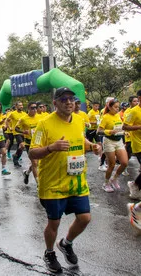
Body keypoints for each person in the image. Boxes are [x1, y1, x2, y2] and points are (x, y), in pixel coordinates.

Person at [29, 87, 101, 273]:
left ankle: (66, 243)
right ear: (55, 103)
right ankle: (50, 252)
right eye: (64, 99)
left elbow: (81, 139)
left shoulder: (78, 120)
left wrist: (91, 145)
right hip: (52, 183)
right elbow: (32, 152)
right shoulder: (43, 124)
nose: (69, 102)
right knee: (54, 223)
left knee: (84, 218)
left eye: (71, 99)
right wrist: (51, 148)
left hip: (76, 180)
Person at [97, 98, 128, 192]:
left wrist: (124, 132)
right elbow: (99, 131)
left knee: (124, 163)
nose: (117, 109)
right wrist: (110, 131)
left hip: (118, 141)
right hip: (109, 141)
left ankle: (114, 178)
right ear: (109, 107)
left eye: (118, 107)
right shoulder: (105, 117)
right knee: (112, 164)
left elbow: (119, 127)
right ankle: (106, 183)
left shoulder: (118, 116)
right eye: (115, 107)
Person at [15, 101, 40, 184]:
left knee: (36, 163)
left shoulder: (40, 117)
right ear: (28, 109)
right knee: (35, 162)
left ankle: (27, 173)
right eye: (32, 108)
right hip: (29, 143)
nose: (35, 110)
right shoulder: (23, 118)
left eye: (36, 108)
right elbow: (16, 128)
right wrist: (23, 132)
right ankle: (38, 184)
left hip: (38, 142)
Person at [123, 89, 141, 200]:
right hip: (138, 144)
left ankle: (135, 184)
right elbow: (125, 126)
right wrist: (139, 127)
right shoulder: (133, 111)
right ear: (139, 98)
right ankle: (135, 185)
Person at [6, 101, 26, 167]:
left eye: (22, 105)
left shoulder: (24, 114)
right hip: (16, 132)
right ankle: (15, 157)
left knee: (20, 146)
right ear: (16, 106)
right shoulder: (12, 114)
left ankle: (16, 157)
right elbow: (7, 121)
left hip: (23, 132)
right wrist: (9, 127)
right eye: (20, 105)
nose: (21, 106)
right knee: (22, 145)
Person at [122, 96, 139, 176]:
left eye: (137, 101)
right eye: (134, 101)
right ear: (130, 103)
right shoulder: (128, 112)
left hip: (137, 138)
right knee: (128, 154)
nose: (136, 103)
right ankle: (124, 167)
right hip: (129, 137)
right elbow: (125, 125)